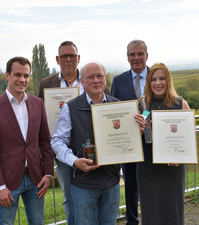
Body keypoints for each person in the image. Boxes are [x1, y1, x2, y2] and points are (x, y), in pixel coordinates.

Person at [51, 62, 145, 225]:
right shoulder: (70, 108)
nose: (96, 80)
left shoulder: (118, 106)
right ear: (83, 81)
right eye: (90, 77)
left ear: (105, 78)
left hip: (111, 182)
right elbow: (57, 141)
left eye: (99, 76)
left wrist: (138, 132)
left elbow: (127, 137)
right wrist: (74, 161)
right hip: (83, 184)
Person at [0, 56, 54, 225]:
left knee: (38, 222)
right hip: (8, 182)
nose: (22, 80)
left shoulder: (38, 103)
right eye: (17, 75)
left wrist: (48, 173)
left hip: (36, 178)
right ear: (7, 75)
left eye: (26, 76)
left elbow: (44, 142)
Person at [137, 63, 190, 225]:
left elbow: (187, 141)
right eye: (153, 79)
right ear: (148, 82)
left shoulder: (180, 104)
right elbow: (138, 135)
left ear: (168, 81)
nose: (158, 83)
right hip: (148, 168)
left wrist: (180, 157)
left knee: (172, 211)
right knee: (151, 212)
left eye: (162, 78)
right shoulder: (144, 106)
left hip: (172, 169)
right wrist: (140, 127)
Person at [38, 40, 83, 224]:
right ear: (58, 59)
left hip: (87, 147)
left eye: (72, 55)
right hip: (61, 149)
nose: (68, 59)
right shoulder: (47, 83)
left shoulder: (89, 78)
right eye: (64, 56)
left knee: (91, 193)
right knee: (69, 196)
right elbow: (40, 115)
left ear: (78, 58)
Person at [111, 39, 149, 225]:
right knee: (131, 186)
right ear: (127, 58)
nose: (136, 58)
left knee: (152, 183)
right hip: (128, 142)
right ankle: (132, 221)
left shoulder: (157, 77)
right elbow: (112, 111)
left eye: (140, 53)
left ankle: (153, 218)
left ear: (146, 56)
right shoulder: (118, 81)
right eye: (132, 54)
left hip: (153, 140)